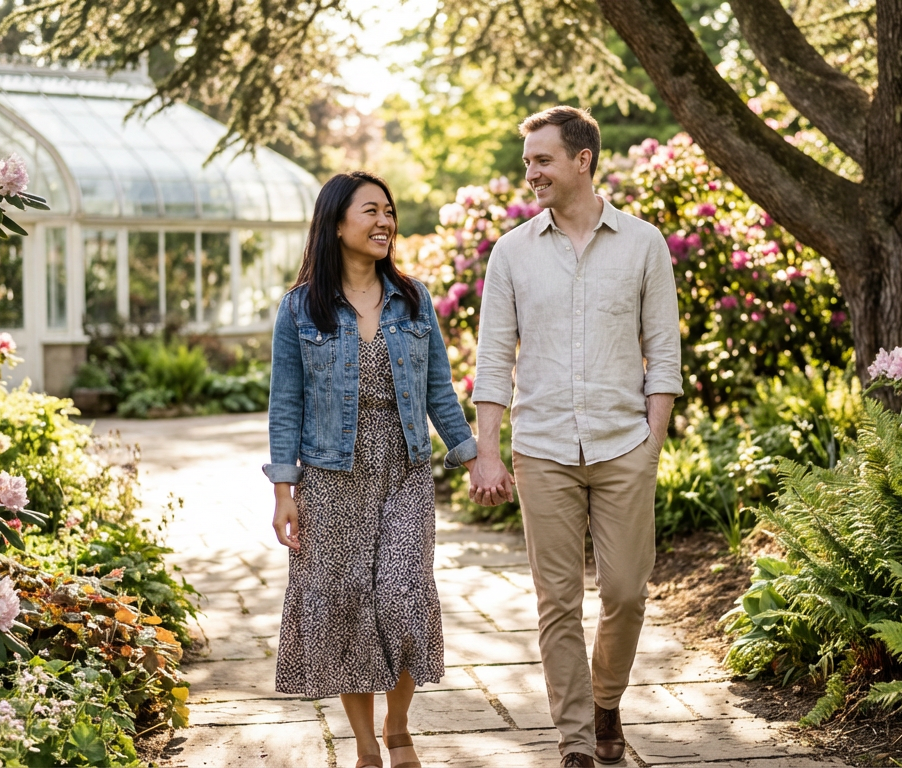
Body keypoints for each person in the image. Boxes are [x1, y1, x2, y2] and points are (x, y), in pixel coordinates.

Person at [469, 106, 682, 767]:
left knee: (626, 592)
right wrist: (487, 451)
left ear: (582, 160)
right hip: (544, 450)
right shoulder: (511, 253)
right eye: (527, 161)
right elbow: (492, 358)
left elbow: (664, 353)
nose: (530, 172)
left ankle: (605, 699)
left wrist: (651, 443)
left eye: (542, 160)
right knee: (557, 602)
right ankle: (576, 741)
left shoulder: (643, 244)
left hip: (623, 447)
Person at [264, 171, 479, 768]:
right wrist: (284, 491)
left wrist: (473, 457)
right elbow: (285, 404)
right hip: (330, 475)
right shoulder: (300, 308)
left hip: (403, 465)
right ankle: (365, 744)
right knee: (344, 604)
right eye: (371, 211)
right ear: (336, 224)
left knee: (405, 594)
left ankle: (398, 725)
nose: (385, 221)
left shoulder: (412, 299)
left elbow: (439, 390)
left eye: (389, 211)